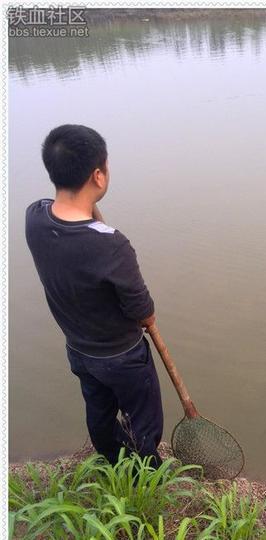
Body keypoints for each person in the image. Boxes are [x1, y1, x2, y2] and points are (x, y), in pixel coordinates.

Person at [25, 124, 164, 468]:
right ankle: (147, 476)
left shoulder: (35, 216)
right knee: (144, 419)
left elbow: (65, 219)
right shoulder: (111, 246)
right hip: (122, 356)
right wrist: (148, 315)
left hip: (78, 349)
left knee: (99, 411)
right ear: (99, 176)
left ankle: (113, 458)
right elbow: (141, 311)